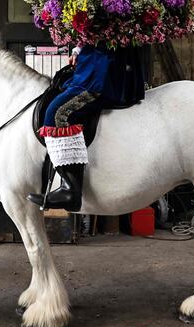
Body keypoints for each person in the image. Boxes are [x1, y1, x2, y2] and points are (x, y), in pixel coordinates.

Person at [26, 44, 145, 211]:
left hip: (101, 70)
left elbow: (99, 31)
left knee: (57, 113)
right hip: (91, 64)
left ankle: (70, 192)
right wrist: (78, 50)